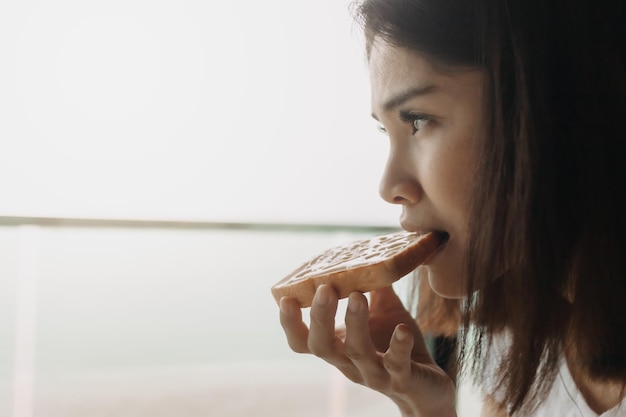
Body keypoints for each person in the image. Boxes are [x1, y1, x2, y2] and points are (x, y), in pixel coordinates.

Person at [278, 0, 626, 415]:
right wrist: (425, 406)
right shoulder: (517, 335)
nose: (390, 188)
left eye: (418, 119)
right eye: (384, 131)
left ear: (551, 106)